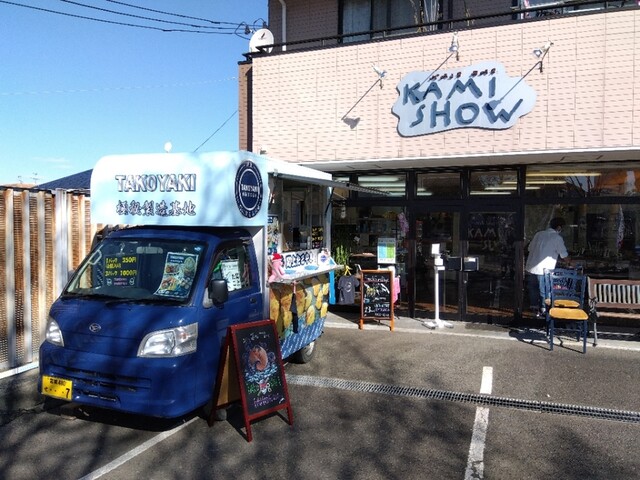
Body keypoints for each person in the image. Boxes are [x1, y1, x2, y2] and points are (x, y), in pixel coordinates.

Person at [525, 217, 571, 317]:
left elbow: (529, 248)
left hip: (531, 267)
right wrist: (570, 262)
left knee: (533, 288)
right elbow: (564, 255)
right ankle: (543, 310)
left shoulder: (538, 234)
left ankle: (534, 308)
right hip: (544, 269)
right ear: (559, 227)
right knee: (544, 291)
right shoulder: (557, 238)